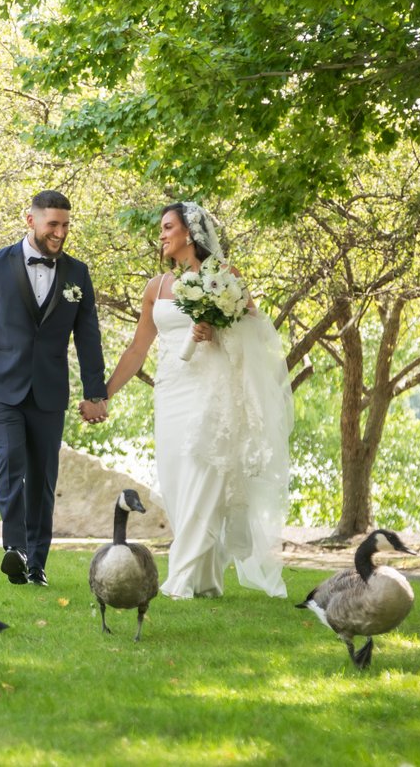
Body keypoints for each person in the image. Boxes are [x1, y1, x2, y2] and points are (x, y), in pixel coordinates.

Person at [100, 201, 291, 599]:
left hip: (211, 390)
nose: (163, 234)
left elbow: (257, 333)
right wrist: (103, 394)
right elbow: (138, 349)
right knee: (175, 480)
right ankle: (207, 580)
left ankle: (180, 579)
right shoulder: (156, 287)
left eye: (169, 227)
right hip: (170, 390)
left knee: (203, 476)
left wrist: (217, 331)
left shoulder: (226, 278)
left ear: (190, 232)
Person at [0, 190, 108, 587]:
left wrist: (95, 392)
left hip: (48, 390)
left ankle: (37, 564)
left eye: (65, 225)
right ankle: (16, 549)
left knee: (43, 479)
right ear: (31, 220)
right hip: (0, 389)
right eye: (52, 225)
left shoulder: (77, 273)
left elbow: (88, 336)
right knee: (11, 462)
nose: (60, 233)